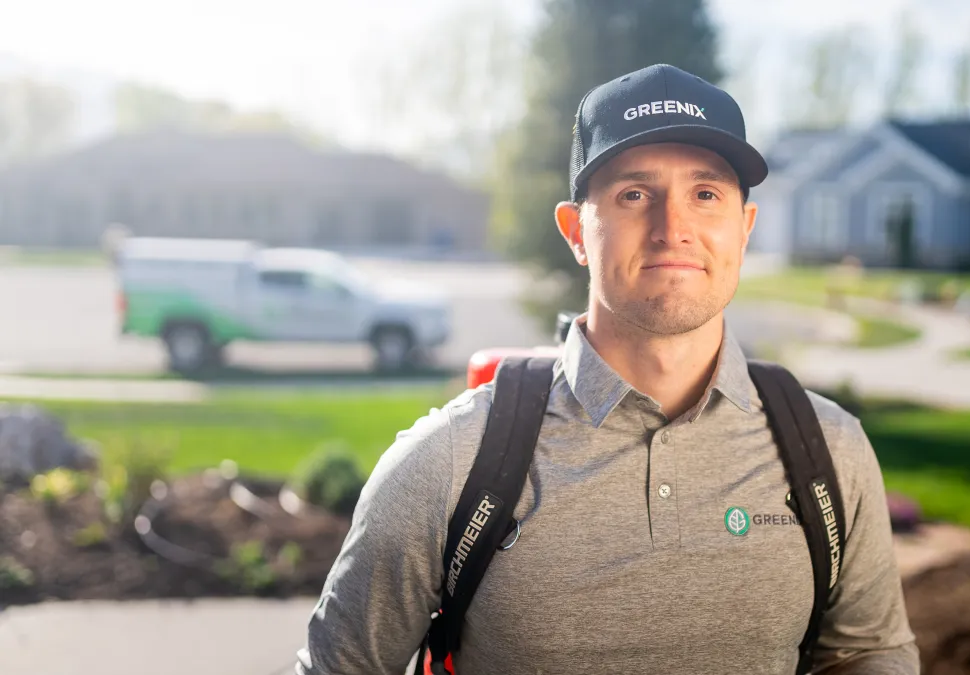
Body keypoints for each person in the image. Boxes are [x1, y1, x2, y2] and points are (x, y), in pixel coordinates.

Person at [295, 63, 919, 675]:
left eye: (706, 195)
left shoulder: (829, 451)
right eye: (634, 194)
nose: (673, 229)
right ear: (575, 231)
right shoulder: (447, 464)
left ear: (744, 228)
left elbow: (869, 652)